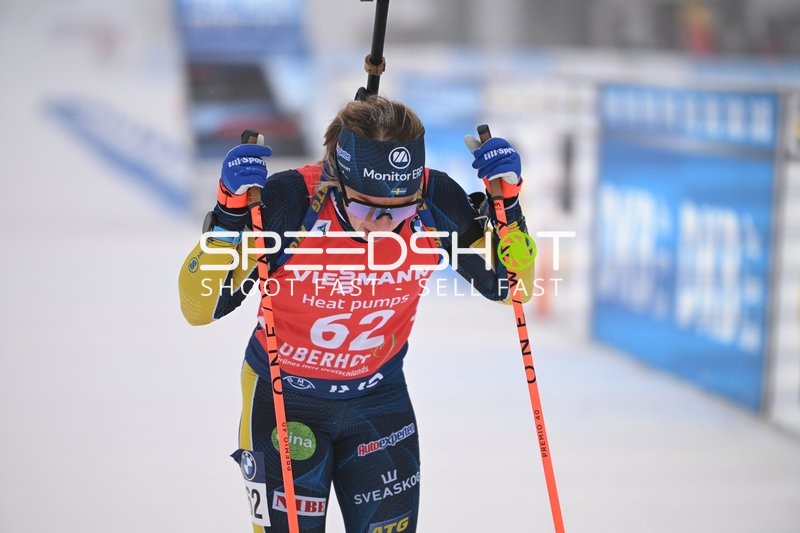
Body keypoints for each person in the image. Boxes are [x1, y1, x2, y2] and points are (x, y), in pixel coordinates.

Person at [178, 95, 533, 532]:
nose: (383, 226)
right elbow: (200, 306)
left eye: (400, 210)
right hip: (284, 399)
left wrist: (509, 208)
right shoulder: (292, 202)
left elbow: (513, 287)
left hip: (379, 404)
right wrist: (229, 217)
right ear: (335, 178)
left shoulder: (436, 201)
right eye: (365, 207)